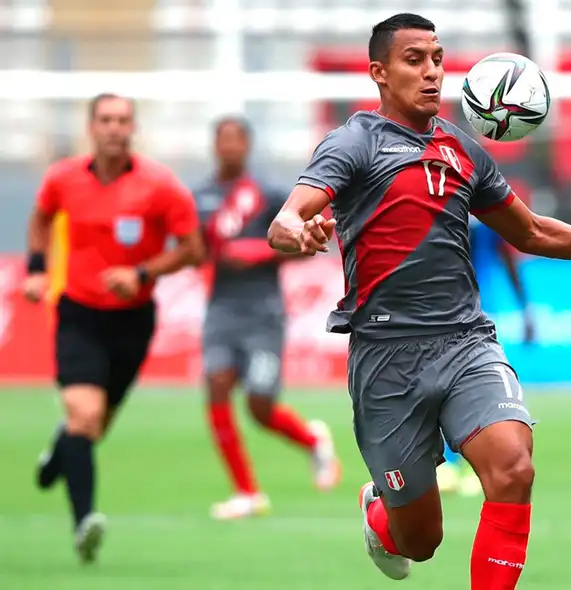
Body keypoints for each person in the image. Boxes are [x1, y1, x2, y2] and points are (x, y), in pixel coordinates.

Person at [267, 13, 571, 589]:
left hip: (464, 343)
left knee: (513, 468)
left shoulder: (464, 151)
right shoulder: (355, 142)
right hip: (386, 358)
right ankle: (380, 512)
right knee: (421, 541)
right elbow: (287, 217)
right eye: (414, 60)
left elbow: (533, 233)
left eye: (437, 58)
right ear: (379, 73)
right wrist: (295, 232)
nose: (431, 72)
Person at [23, 93, 204, 563]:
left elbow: (193, 249)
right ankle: (85, 521)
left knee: (93, 425)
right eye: (105, 119)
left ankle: (58, 453)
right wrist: (38, 268)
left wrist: (141, 273)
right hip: (79, 313)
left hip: (133, 319)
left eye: (123, 120)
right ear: (91, 127)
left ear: (133, 128)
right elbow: (41, 217)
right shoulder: (62, 178)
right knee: (84, 414)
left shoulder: (160, 185)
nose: (114, 128)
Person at [193, 116, 341, 520]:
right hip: (221, 311)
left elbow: (303, 245)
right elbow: (196, 249)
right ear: (214, 145)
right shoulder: (201, 197)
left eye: (236, 139)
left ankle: (312, 440)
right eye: (222, 139)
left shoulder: (270, 194)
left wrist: (255, 252)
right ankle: (246, 492)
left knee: (260, 406)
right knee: (217, 386)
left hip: (263, 313)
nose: (229, 147)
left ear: (248, 145)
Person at [437, 216, 534, 496]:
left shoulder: (486, 214)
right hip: (445, 314)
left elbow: (508, 257)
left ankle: (471, 467)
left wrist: (525, 307)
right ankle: (449, 465)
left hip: (482, 314)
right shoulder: (442, 209)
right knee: (445, 389)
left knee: (482, 394)